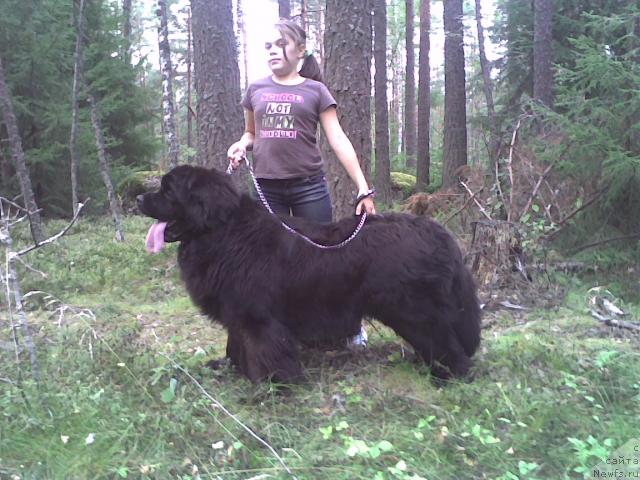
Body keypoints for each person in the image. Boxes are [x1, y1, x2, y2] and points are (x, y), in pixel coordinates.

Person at [227, 19, 374, 347]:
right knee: (266, 265)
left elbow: (337, 138)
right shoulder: (256, 89)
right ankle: (280, 331)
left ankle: (347, 326)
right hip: (266, 191)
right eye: (268, 46)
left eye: (281, 44)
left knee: (325, 261)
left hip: (309, 187)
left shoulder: (316, 91)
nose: (273, 51)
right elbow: (251, 132)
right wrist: (242, 145)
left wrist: (363, 186)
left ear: (300, 50)